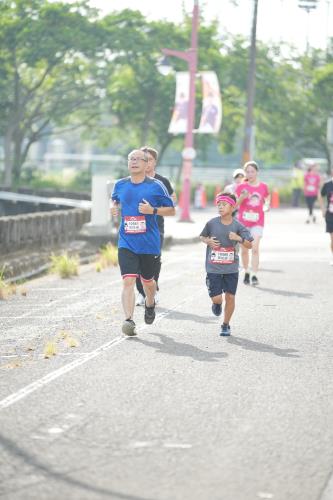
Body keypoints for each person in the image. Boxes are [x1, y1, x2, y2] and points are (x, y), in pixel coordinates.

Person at [111, 149, 175, 336]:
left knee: (148, 281)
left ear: (147, 164)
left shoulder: (156, 186)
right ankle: (129, 320)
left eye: (138, 159)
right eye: (131, 158)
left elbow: (171, 210)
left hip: (149, 243)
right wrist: (113, 208)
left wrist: (152, 210)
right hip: (127, 241)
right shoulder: (120, 184)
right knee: (128, 280)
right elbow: (114, 200)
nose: (133, 162)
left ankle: (150, 301)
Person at [200, 192, 253, 336]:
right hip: (214, 267)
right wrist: (208, 241)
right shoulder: (211, 223)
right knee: (218, 298)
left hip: (231, 268)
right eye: (218, 205)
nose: (220, 207)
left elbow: (249, 245)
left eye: (224, 204)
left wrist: (239, 239)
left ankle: (225, 324)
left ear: (233, 206)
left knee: (230, 297)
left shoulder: (238, 226)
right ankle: (216, 303)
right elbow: (202, 236)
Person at [135, 146, 177, 306]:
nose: (146, 162)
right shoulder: (134, 178)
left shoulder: (162, 181)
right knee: (138, 260)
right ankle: (141, 292)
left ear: (154, 162)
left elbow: (173, 198)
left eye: (149, 159)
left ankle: (153, 290)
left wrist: (158, 207)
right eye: (142, 159)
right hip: (136, 226)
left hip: (155, 226)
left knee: (153, 259)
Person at [235, 161, 270, 286]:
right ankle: (246, 271)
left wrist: (267, 206)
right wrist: (242, 198)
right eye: (247, 172)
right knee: (244, 250)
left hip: (257, 221)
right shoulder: (240, 187)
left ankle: (254, 275)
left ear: (257, 172)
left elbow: (267, 198)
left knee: (255, 248)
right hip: (243, 222)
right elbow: (235, 205)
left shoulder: (263, 186)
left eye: (252, 171)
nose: (250, 174)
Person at [319, 168, 333, 265]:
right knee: (332, 237)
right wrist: (323, 209)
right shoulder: (327, 185)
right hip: (330, 214)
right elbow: (320, 195)